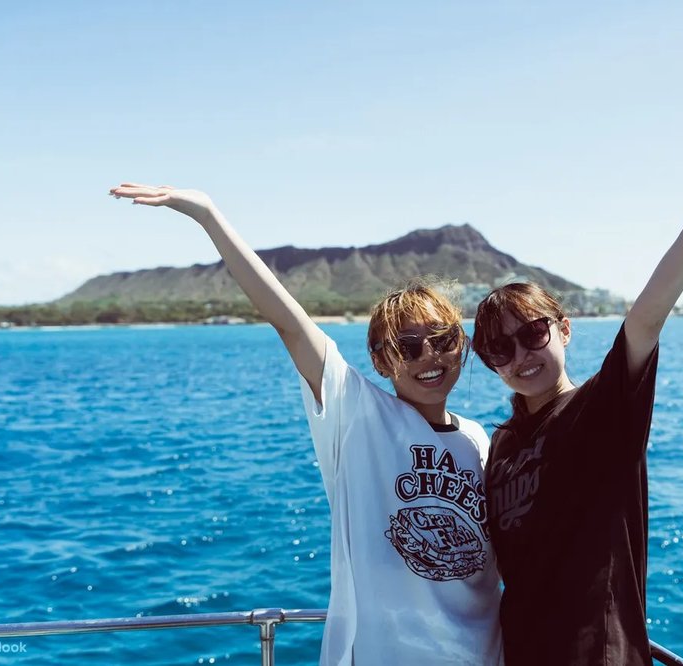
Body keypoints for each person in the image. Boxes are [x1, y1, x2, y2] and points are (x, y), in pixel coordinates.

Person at [109, 185, 503, 665]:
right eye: (407, 346)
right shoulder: (357, 413)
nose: (429, 357)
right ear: (381, 362)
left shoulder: (481, 440)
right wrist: (209, 215)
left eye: (442, 340)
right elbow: (289, 322)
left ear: (461, 345)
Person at [470, 111, 683, 665]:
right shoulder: (502, 445)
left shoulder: (601, 409)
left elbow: (646, 318)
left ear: (564, 329)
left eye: (533, 334)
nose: (521, 356)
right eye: (501, 349)